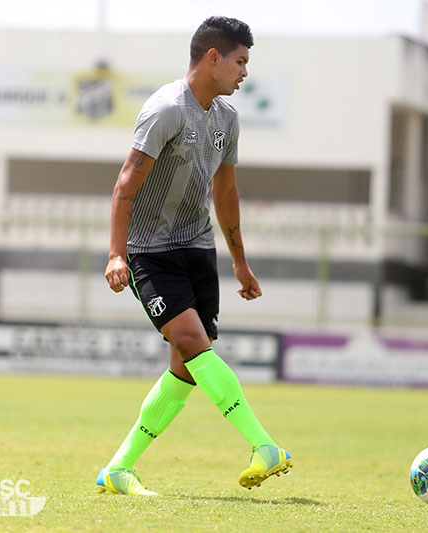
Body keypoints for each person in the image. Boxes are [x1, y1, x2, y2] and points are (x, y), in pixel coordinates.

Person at [96, 16, 292, 496]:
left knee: (185, 365)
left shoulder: (228, 119)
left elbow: (226, 192)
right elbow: (126, 184)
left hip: (198, 248)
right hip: (150, 252)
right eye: (240, 61)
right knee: (190, 340)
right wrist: (116, 254)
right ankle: (264, 445)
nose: (245, 72)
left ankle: (119, 469)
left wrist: (239, 261)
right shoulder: (166, 109)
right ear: (213, 57)